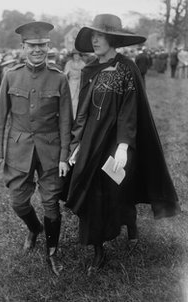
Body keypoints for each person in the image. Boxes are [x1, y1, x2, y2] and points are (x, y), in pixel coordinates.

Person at [65, 14, 180, 275]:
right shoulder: (89, 70)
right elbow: (83, 110)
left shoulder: (127, 68)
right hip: (92, 143)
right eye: (92, 36)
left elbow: (130, 110)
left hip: (116, 145)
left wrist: (123, 145)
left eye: (101, 36)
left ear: (113, 39)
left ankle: (131, 226)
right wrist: (77, 143)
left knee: (118, 189)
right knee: (92, 194)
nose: (95, 40)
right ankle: (98, 250)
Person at [0, 21, 73, 275]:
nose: (37, 50)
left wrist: (63, 156)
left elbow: (66, 122)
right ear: (23, 47)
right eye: (32, 46)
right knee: (18, 201)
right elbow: (0, 116)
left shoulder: (59, 78)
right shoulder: (11, 75)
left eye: (42, 45)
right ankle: (34, 228)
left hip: (50, 150)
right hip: (19, 149)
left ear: (48, 46)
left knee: (51, 203)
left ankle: (52, 252)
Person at [64, 49, 85, 118]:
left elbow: (85, 74)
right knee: (70, 98)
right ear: (72, 56)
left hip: (80, 83)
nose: (76, 56)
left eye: (78, 55)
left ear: (80, 56)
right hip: (71, 83)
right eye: (75, 55)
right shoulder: (69, 63)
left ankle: (77, 116)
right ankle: (70, 115)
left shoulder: (83, 64)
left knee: (79, 99)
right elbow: (65, 73)